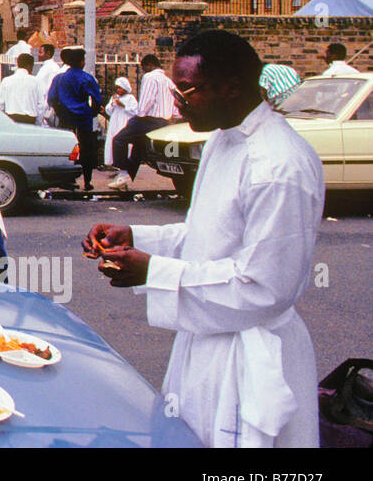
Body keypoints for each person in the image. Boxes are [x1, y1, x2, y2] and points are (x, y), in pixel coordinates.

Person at [86, 29, 323, 448]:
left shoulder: (278, 164)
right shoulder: (221, 140)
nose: (177, 101)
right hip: (207, 341)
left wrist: (152, 271)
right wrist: (135, 236)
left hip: (250, 353)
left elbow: (264, 287)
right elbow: (205, 235)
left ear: (232, 88)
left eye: (188, 90)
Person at [109, 53, 179, 191]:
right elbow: (175, 104)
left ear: (149, 65)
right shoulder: (168, 81)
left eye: (144, 68)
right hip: (163, 121)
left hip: (148, 119)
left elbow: (147, 100)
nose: (144, 71)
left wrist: (138, 116)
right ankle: (126, 176)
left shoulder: (150, 77)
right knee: (138, 147)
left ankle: (123, 172)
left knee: (118, 139)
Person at [47, 46, 103, 190]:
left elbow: (52, 98)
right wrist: (92, 112)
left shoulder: (59, 78)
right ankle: (87, 181)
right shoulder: (87, 78)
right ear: (81, 62)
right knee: (86, 148)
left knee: (69, 148)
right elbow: (97, 99)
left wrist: (60, 111)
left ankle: (68, 179)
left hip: (65, 116)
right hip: (83, 117)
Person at [0, 53, 43, 125]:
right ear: (30, 66)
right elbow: (41, 105)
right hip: (30, 120)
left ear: (18, 64)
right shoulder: (36, 81)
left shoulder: (6, 81)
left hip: (11, 119)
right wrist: (38, 122)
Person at [103, 76, 138, 168]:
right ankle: (112, 161)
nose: (118, 90)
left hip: (124, 121)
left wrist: (123, 106)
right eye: (117, 88)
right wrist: (112, 104)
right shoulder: (114, 97)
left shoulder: (131, 98)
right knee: (113, 138)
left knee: (122, 140)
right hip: (114, 122)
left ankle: (124, 161)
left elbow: (135, 111)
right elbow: (109, 111)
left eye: (120, 88)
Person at [34, 43, 64, 124]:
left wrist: (45, 107)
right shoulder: (47, 67)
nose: (38, 54)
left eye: (40, 52)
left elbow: (48, 87)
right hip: (44, 104)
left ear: (48, 54)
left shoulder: (50, 67)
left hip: (46, 105)